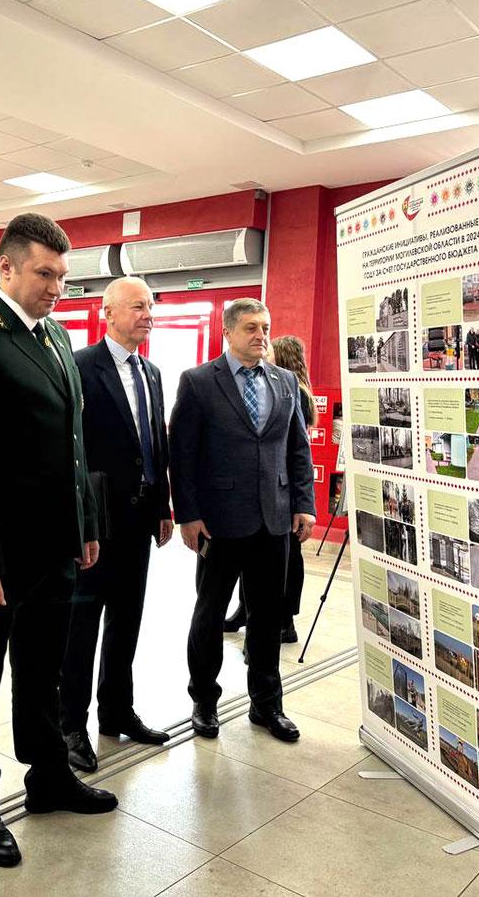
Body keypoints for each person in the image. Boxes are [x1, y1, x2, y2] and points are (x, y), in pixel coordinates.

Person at [0, 212, 115, 869]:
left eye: (62, 276)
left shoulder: (57, 336)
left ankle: (49, 778)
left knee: (42, 671)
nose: (56, 288)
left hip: (55, 545)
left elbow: (73, 442)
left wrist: (85, 524)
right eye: (45, 274)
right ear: (6, 267)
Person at [169, 298, 316, 743]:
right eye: (251, 327)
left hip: (274, 520)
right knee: (210, 614)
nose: (261, 335)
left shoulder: (285, 381)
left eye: (265, 327)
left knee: (267, 616)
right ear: (228, 333)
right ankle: (204, 700)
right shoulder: (198, 382)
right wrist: (188, 515)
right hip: (219, 522)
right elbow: (182, 454)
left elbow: (297, 448)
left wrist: (304, 503)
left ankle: (267, 705)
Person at [59, 276, 174, 773]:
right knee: (81, 628)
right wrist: (79, 518)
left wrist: (163, 506)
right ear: (108, 313)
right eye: (137, 307)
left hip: (140, 517)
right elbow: (71, 446)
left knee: (127, 620)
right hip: (97, 520)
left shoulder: (152, 372)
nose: (148, 315)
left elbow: (155, 444)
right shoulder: (81, 366)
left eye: (150, 306)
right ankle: (70, 725)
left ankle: (117, 711)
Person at [223, 334, 318, 644]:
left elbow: (297, 449)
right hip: (266, 492)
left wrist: (301, 501)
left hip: (282, 492)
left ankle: (284, 621)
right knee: (257, 563)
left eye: (272, 349)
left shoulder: (292, 390)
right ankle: (246, 611)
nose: (265, 351)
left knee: (286, 563)